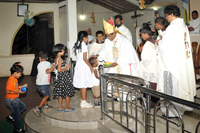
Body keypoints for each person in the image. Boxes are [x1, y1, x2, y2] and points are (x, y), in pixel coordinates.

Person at [157, 5, 196, 117]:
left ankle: (171, 113)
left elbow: (166, 47)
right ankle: (179, 110)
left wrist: (160, 41)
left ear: (171, 14)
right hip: (180, 62)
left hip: (172, 64)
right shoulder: (183, 25)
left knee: (171, 87)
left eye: (167, 15)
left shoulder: (173, 27)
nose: (166, 18)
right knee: (178, 87)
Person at [94, 17, 139, 100]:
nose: (108, 38)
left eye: (109, 36)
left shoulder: (123, 39)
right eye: (107, 36)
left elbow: (125, 52)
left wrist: (117, 62)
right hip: (113, 65)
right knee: (114, 81)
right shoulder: (108, 40)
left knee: (124, 82)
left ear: (114, 33)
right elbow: (104, 49)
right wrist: (97, 55)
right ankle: (117, 96)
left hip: (123, 64)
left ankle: (126, 98)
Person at [139, 26, 159, 108]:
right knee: (154, 87)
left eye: (141, 35)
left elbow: (146, 59)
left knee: (148, 86)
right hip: (154, 68)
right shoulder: (153, 42)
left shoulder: (147, 44)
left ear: (146, 34)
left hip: (149, 69)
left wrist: (141, 56)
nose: (141, 37)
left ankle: (148, 104)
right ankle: (154, 104)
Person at [73, 31, 94, 108]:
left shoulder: (78, 44)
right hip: (84, 66)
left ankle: (83, 101)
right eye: (87, 38)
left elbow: (82, 56)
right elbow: (84, 58)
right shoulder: (84, 45)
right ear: (84, 38)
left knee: (82, 85)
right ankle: (83, 102)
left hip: (79, 65)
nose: (87, 39)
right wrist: (90, 67)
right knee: (84, 85)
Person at [32, 51, 56, 117]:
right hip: (44, 83)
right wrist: (53, 67)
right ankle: (38, 108)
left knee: (44, 94)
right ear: (47, 58)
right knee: (46, 96)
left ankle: (45, 105)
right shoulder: (47, 63)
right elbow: (47, 71)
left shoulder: (39, 64)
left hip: (38, 83)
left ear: (39, 58)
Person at [5, 62, 27, 133]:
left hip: (15, 98)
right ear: (15, 73)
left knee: (23, 106)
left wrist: (22, 86)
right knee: (17, 115)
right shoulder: (10, 81)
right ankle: (16, 130)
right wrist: (19, 92)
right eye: (20, 74)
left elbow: (15, 88)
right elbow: (8, 91)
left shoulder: (14, 79)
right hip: (11, 100)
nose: (21, 75)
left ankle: (10, 117)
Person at [53, 44, 75, 112]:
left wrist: (64, 65)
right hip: (64, 76)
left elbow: (57, 68)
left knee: (61, 91)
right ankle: (67, 107)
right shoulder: (60, 59)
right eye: (63, 51)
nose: (64, 52)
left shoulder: (56, 58)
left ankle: (60, 106)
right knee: (67, 91)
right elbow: (59, 69)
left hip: (59, 77)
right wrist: (66, 68)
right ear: (59, 51)